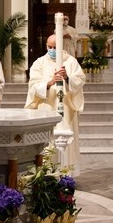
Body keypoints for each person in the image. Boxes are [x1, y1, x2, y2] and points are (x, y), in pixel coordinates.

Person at [24, 34, 86, 177]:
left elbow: (80, 80)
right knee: (48, 144)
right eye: (49, 47)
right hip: (46, 108)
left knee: (66, 141)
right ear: (46, 46)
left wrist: (67, 78)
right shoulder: (39, 63)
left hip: (66, 109)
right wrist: (49, 82)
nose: (52, 50)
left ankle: (66, 176)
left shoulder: (71, 62)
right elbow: (33, 86)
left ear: (61, 47)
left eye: (55, 47)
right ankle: (46, 174)